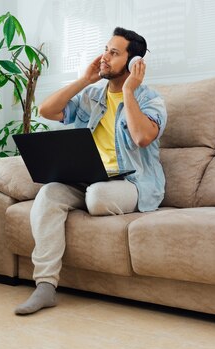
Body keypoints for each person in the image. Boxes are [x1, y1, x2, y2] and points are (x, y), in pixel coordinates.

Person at [14, 27, 167, 315]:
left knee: (96, 197)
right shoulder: (93, 97)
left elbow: (141, 137)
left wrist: (129, 92)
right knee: (48, 194)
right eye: (106, 49)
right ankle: (45, 286)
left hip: (130, 183)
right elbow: (46, 110)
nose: (105, 57)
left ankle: (86, 196)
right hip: (88, 178)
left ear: (133, 63)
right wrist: (85, 80)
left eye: (114, 52)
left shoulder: (150, 99)